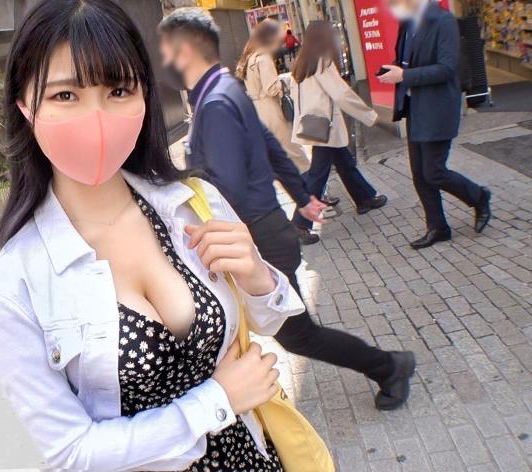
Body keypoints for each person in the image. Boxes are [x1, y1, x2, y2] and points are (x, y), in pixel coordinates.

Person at [0, 1, 310, 470]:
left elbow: (271, 322)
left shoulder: (190, 203)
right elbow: (71, 453)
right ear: (25, 107)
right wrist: (216, 402)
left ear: (144, 96)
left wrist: (256, 275)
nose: (96, 117)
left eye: (118, 90)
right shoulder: (10, 279)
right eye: (65, 95)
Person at [159, 7, 414, 411]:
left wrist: (177, 191)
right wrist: (303, 196)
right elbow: (270, 147)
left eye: (167, 52)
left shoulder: (217, 102)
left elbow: (226, 188)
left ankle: (389, 366)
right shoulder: (225, 89)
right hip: (269, 231)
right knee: (280, 332)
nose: (165, 63)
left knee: (298, 336)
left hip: (260, 240)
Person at [379, 0, 491, 249]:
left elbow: (446, 68)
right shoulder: (407, 23)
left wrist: (405, 75)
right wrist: (394, 69)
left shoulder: (444, 21)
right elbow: (407, 60)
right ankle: (438, 227)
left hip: (437, 108)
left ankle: (479, 196)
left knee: (434, 172)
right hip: (414, 108)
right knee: (419, 174)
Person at [289, 20, 389, 241]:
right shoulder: (322, 61)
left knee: (344, 162)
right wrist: (369, 115)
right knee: (318, 175)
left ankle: (364, 198)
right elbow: (342, 94)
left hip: (315, 125)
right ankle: (299, 223)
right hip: (327, 126)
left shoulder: (303, 62)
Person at [237, 19, 310, 173]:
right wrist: (285, 80)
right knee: (294, 151)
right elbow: (271, 89)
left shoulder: (250, 57)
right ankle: (312, 184)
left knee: (277, 154)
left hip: (257, 111)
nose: (280, 42)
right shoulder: (263, 58)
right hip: (271, 110)